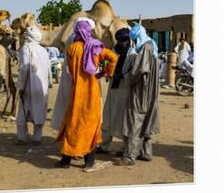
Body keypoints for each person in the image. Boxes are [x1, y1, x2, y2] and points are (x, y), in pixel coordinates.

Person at [56, 19, 118, 172]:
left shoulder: (71, 49)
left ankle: (65, 161)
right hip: (92, 95)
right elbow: (113, 58)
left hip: (77, 93)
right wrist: (105, 72)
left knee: (73, 125)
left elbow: (71, 70)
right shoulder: (96, 47)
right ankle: (89, 163)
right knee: (91, 127)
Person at [117, 22, 160, 166]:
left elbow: (140, 70)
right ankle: (146, 152)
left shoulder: (145, 48)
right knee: (145, 118)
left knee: (135, 119)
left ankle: (129, 156)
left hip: (141, 90)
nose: (133, 42)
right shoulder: (152, 45)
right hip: (149, 91)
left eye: (133, 39)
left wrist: (127, 77)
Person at [98, 27, 135, 153]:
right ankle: (104, 145)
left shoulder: (133, 54)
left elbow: (134, 73)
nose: (123, 43)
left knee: (124, 119)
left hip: (125, 91)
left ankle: (125, 148)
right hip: (113, 89)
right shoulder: (113, 51)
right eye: (120, 40)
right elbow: (108, 65)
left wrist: (123, 76)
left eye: (125, 40)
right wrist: (108, 73)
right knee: (108, 116)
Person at [15, 26, 51, 145]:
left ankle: (22, 138)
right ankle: (37, 138)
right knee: (39, 111)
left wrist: (21, 86)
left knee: (23, 112)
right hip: (42, 87)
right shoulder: (44, 51)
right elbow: (48, 69)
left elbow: (24, 68)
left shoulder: (26, 48)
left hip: (29, 86)